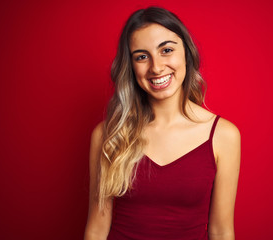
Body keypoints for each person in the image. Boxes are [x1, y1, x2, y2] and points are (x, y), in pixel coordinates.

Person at [84, 7, 241, 240]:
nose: (156, 67)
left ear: (187, 54)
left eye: (166, 50)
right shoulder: (109, 134)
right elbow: (97, 229)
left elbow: (221, 231)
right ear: (131, 66)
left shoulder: (223, 135)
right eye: (141, 56)